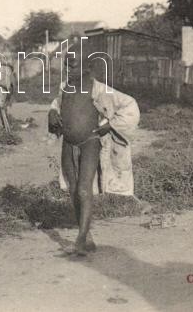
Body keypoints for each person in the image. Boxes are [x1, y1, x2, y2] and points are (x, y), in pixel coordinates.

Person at [48, 50, 139, 255]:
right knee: (72, 190)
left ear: (87, 68)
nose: (68, 69)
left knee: (83, 189)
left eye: (73, 65)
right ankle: (87, 237)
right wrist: (52, 113)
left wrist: (111, 124)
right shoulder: (65, 88)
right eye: (66, 65)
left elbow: (130, 105)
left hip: (90, 142)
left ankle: (80, 239)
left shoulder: (99, 90)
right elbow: (57, 104)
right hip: (68, 144)